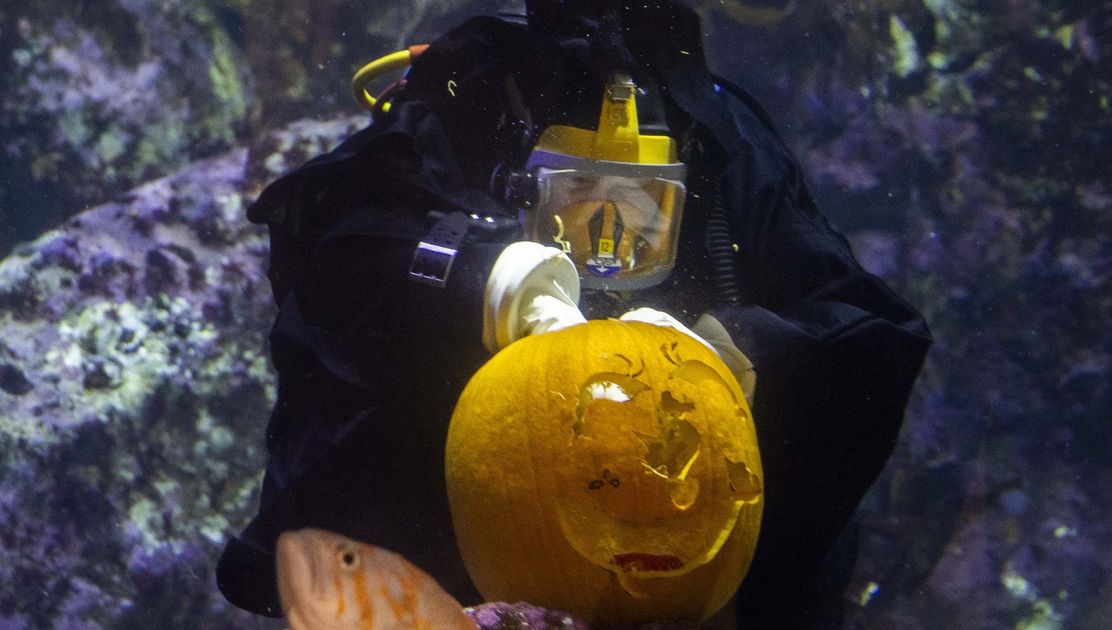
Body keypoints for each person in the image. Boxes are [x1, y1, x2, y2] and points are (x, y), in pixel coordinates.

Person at [216, 1, 932, 627]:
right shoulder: (464, 101)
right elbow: (342, 246)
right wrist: (487, 280)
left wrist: (735, 353)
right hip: (446, 571)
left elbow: (863, 329)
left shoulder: (723, 137)